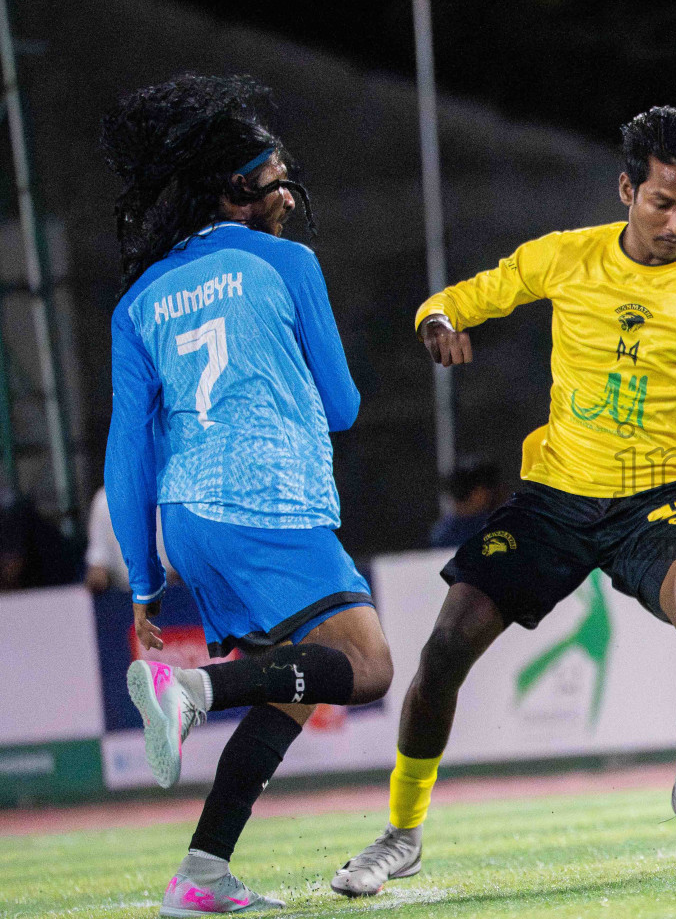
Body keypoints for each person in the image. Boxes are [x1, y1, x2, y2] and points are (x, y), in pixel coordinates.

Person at [332, 106, 676, 894]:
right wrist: (437, 319)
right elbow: (458, 299)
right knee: (444, 651)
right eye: (663, 201)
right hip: (553, 497)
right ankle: (400, 833)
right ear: (626, 188)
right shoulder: (566, 258)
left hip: (657, 501)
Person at [102, 74, 394, 915]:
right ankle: (189, 690)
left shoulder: (137, 301)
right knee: (367, 667)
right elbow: (342, 408)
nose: (290, 198)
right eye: (276, 181)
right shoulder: (288, 262)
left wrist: (146, 582)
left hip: (188, 521)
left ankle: (202, 873)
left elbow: (128, 452)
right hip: (267, 498)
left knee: (289, 688)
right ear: (236, 192)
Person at [84, 486, 176, 593]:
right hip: (125, 599)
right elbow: (98, 562)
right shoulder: (104, 500)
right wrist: (97, 578)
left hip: (175, 594)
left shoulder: (173, 494)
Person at [428, 457, 504, 549]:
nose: (488, 494)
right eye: (483, 489)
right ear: (475, 492)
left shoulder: (495, 522)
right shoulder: (445, 533)